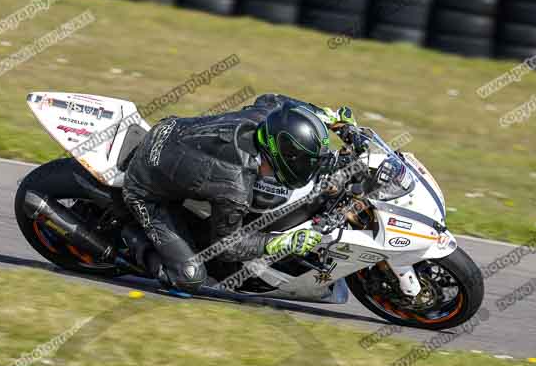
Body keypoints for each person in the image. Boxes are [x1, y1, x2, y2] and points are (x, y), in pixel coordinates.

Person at [121, 93, 359, 294]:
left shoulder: (266, 118)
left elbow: (274, 99)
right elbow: (227, 247)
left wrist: (327, 116)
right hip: (143, 188)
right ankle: (130, 236)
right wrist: (279, 242)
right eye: (305, 161)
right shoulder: (234, 185)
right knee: (189, 278)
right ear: (286, 156)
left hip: (170, 130)